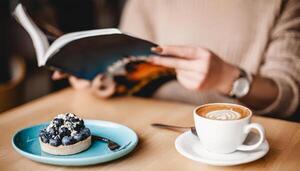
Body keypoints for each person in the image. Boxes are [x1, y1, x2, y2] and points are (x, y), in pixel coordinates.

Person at [53, 0, 300, 118]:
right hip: (144, 128)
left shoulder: (283, 4)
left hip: (231, 140)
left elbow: (289, 98)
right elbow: (127, 70)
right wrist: (94, 77)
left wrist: (227, 78)